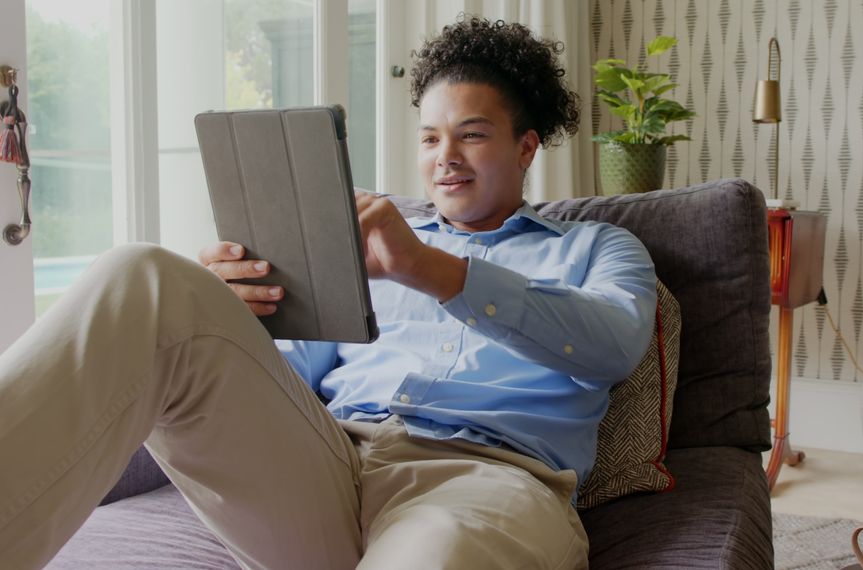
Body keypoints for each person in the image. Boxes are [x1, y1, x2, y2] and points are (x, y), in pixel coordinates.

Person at [0, 16, 656, 570]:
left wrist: (430, 271)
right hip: (325, 465)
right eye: (430, 137)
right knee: (143, 275)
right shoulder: (362, 244)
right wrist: (233, 318)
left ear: (526, 146)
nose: (445, 156)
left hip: (485, 483)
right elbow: (287, 375)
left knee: (436, 551)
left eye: (473, 134)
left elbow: (613, 344)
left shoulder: (596, 248)